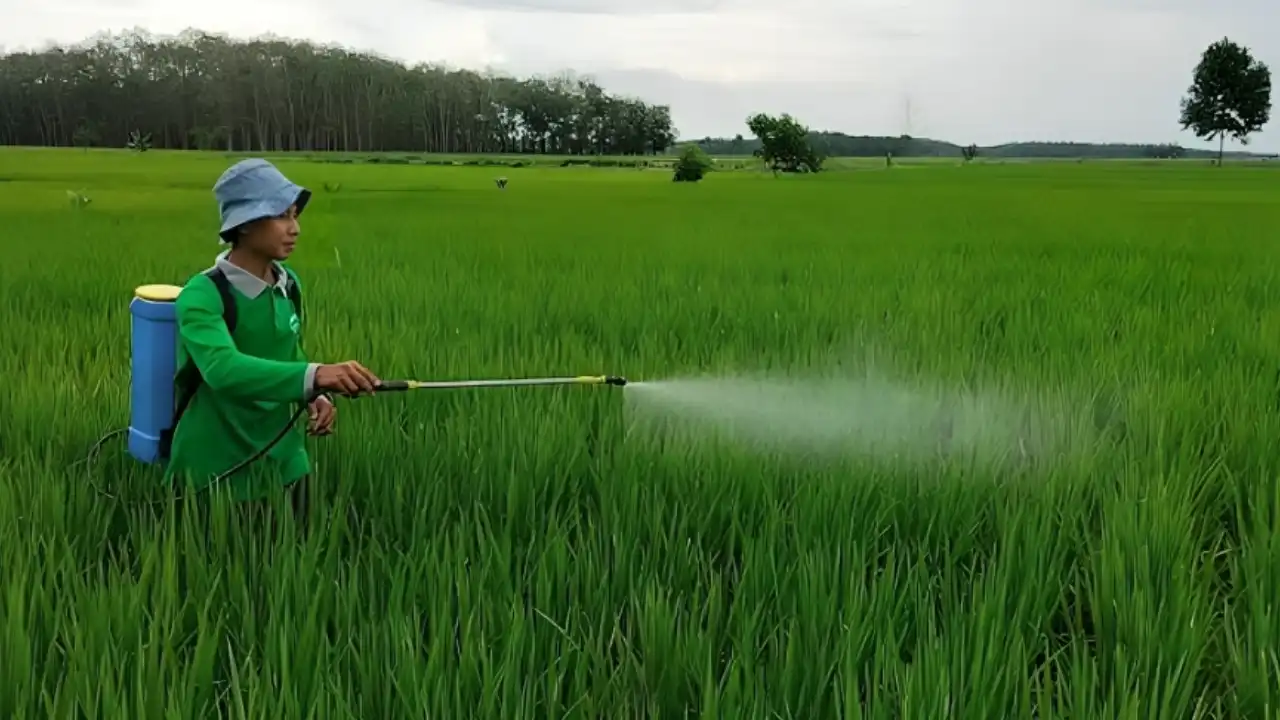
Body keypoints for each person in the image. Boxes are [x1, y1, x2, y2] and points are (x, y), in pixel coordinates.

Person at [163, 158, 380, 518]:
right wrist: (316, 374)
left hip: (285, 460)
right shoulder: (202, 295)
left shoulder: (287, 283)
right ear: (245, 225)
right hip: (217, 468)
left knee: (298, 561)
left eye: (295, 215)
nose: (294, 228)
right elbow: (222, 368)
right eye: (281, 216)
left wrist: (315, 393)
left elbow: (288, 350)